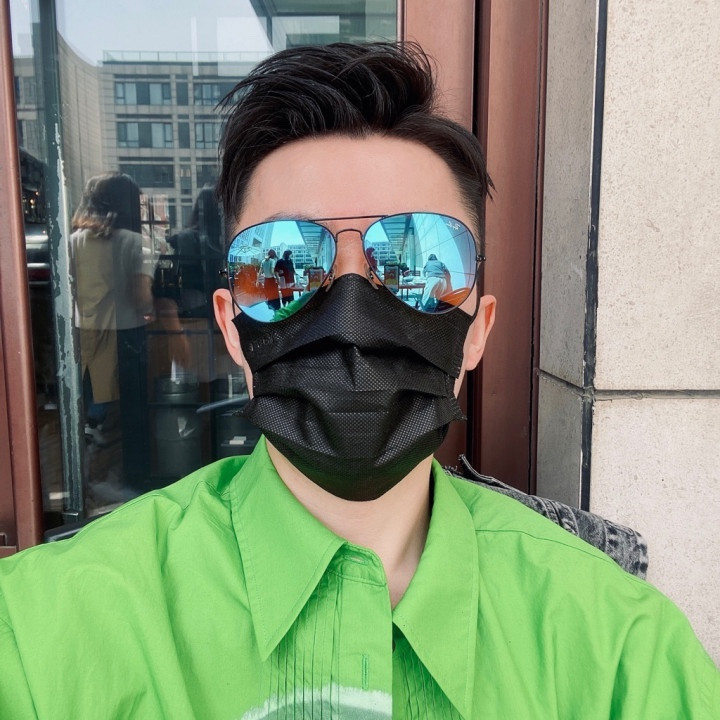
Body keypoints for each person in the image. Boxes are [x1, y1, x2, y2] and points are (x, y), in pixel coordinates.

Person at [0, 43, 717, 720]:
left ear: (477, 330)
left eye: (416, 260)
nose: (350, 312)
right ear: (231, 328)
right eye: (283, 262)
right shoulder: (40, 637)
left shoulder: (621, 651)